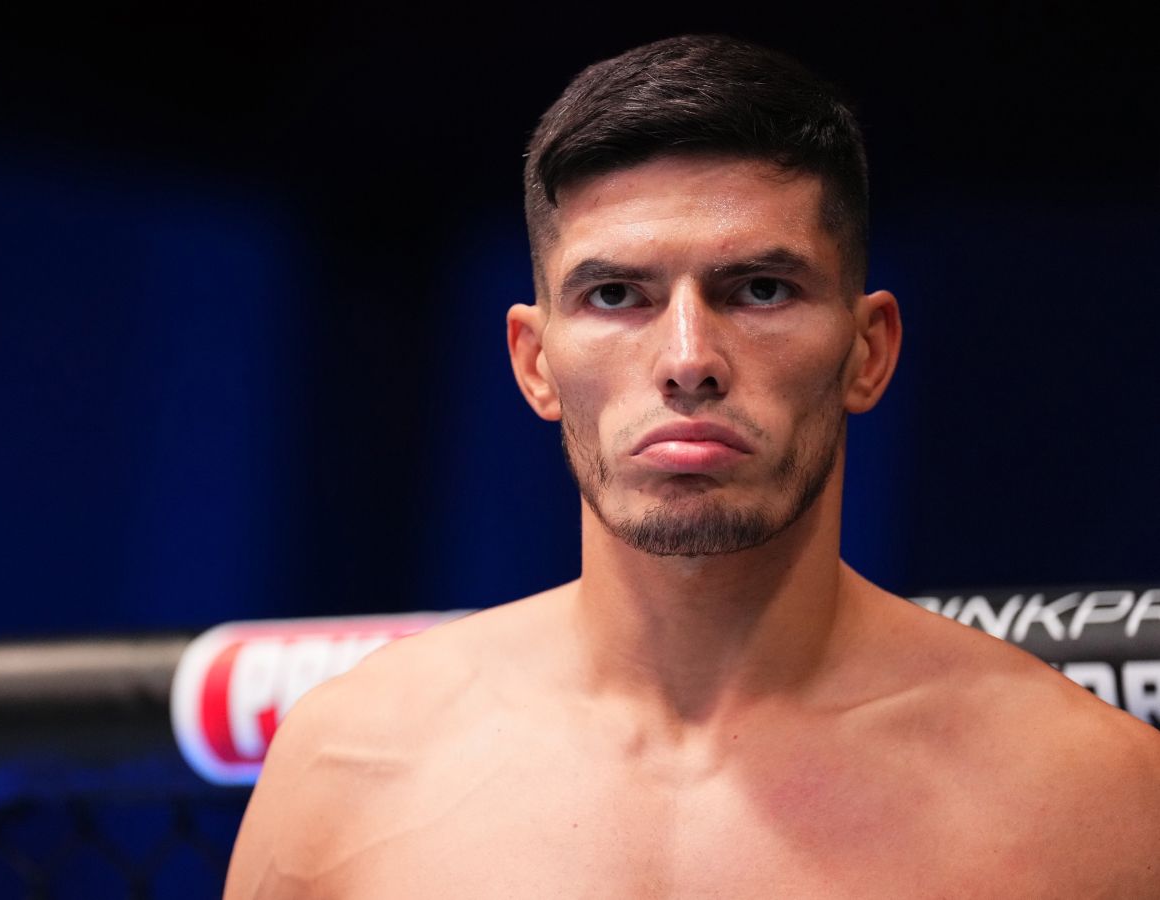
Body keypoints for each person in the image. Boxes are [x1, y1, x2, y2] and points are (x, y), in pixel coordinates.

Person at [224, 34, 1160, 898]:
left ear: (869, 350)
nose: (687, 358)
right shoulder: (347, 766)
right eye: (615, 295)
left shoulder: (1089, 796)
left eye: (760, 289)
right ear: (534, 362)